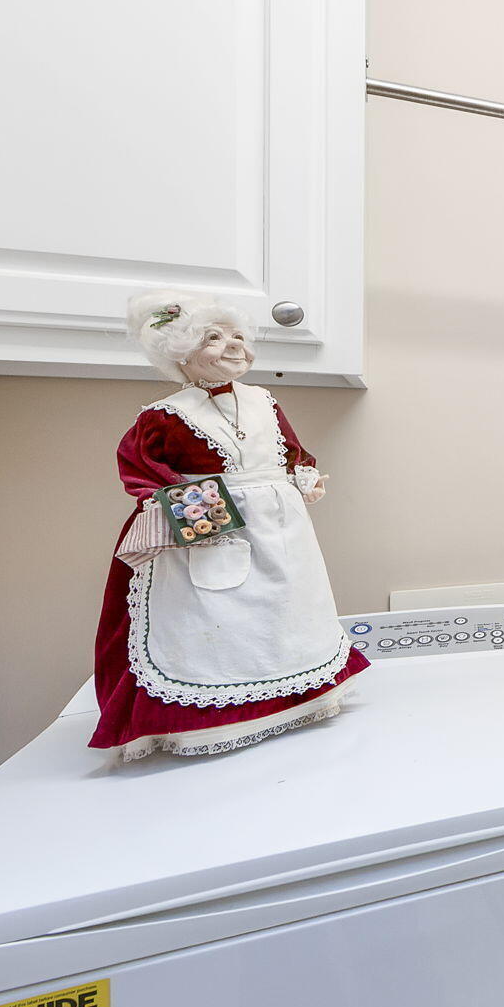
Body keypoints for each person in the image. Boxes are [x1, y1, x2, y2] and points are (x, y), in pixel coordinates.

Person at [90, 291, 366, 759]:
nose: (234, 345)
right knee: (213, 613)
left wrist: (303, 477)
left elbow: (290, 450)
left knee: (288, 605)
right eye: (214, 338)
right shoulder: (165, 415)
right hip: (214, 525)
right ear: (180, 351)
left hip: (282, 525)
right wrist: (201, 519)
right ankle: (207, 719)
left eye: (239, 334)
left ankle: (301, 691)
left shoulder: (263, 400)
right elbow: (141, 470)